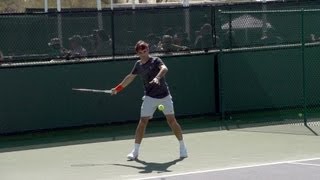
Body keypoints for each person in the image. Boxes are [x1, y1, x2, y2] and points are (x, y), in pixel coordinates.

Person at [111, 40, 188, 160]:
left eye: (145, 50)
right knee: (142, 122)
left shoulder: (156, 60)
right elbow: (130, 77)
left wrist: (157, 77)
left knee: (172, 121)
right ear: (137, 53)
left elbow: (164, 68)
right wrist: (117, 88)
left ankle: (182, 147)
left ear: (148, 50)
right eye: (141, 52)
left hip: (164, 96)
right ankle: (135, 151)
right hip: (149, 97)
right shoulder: (138, 65)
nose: (143, 54)